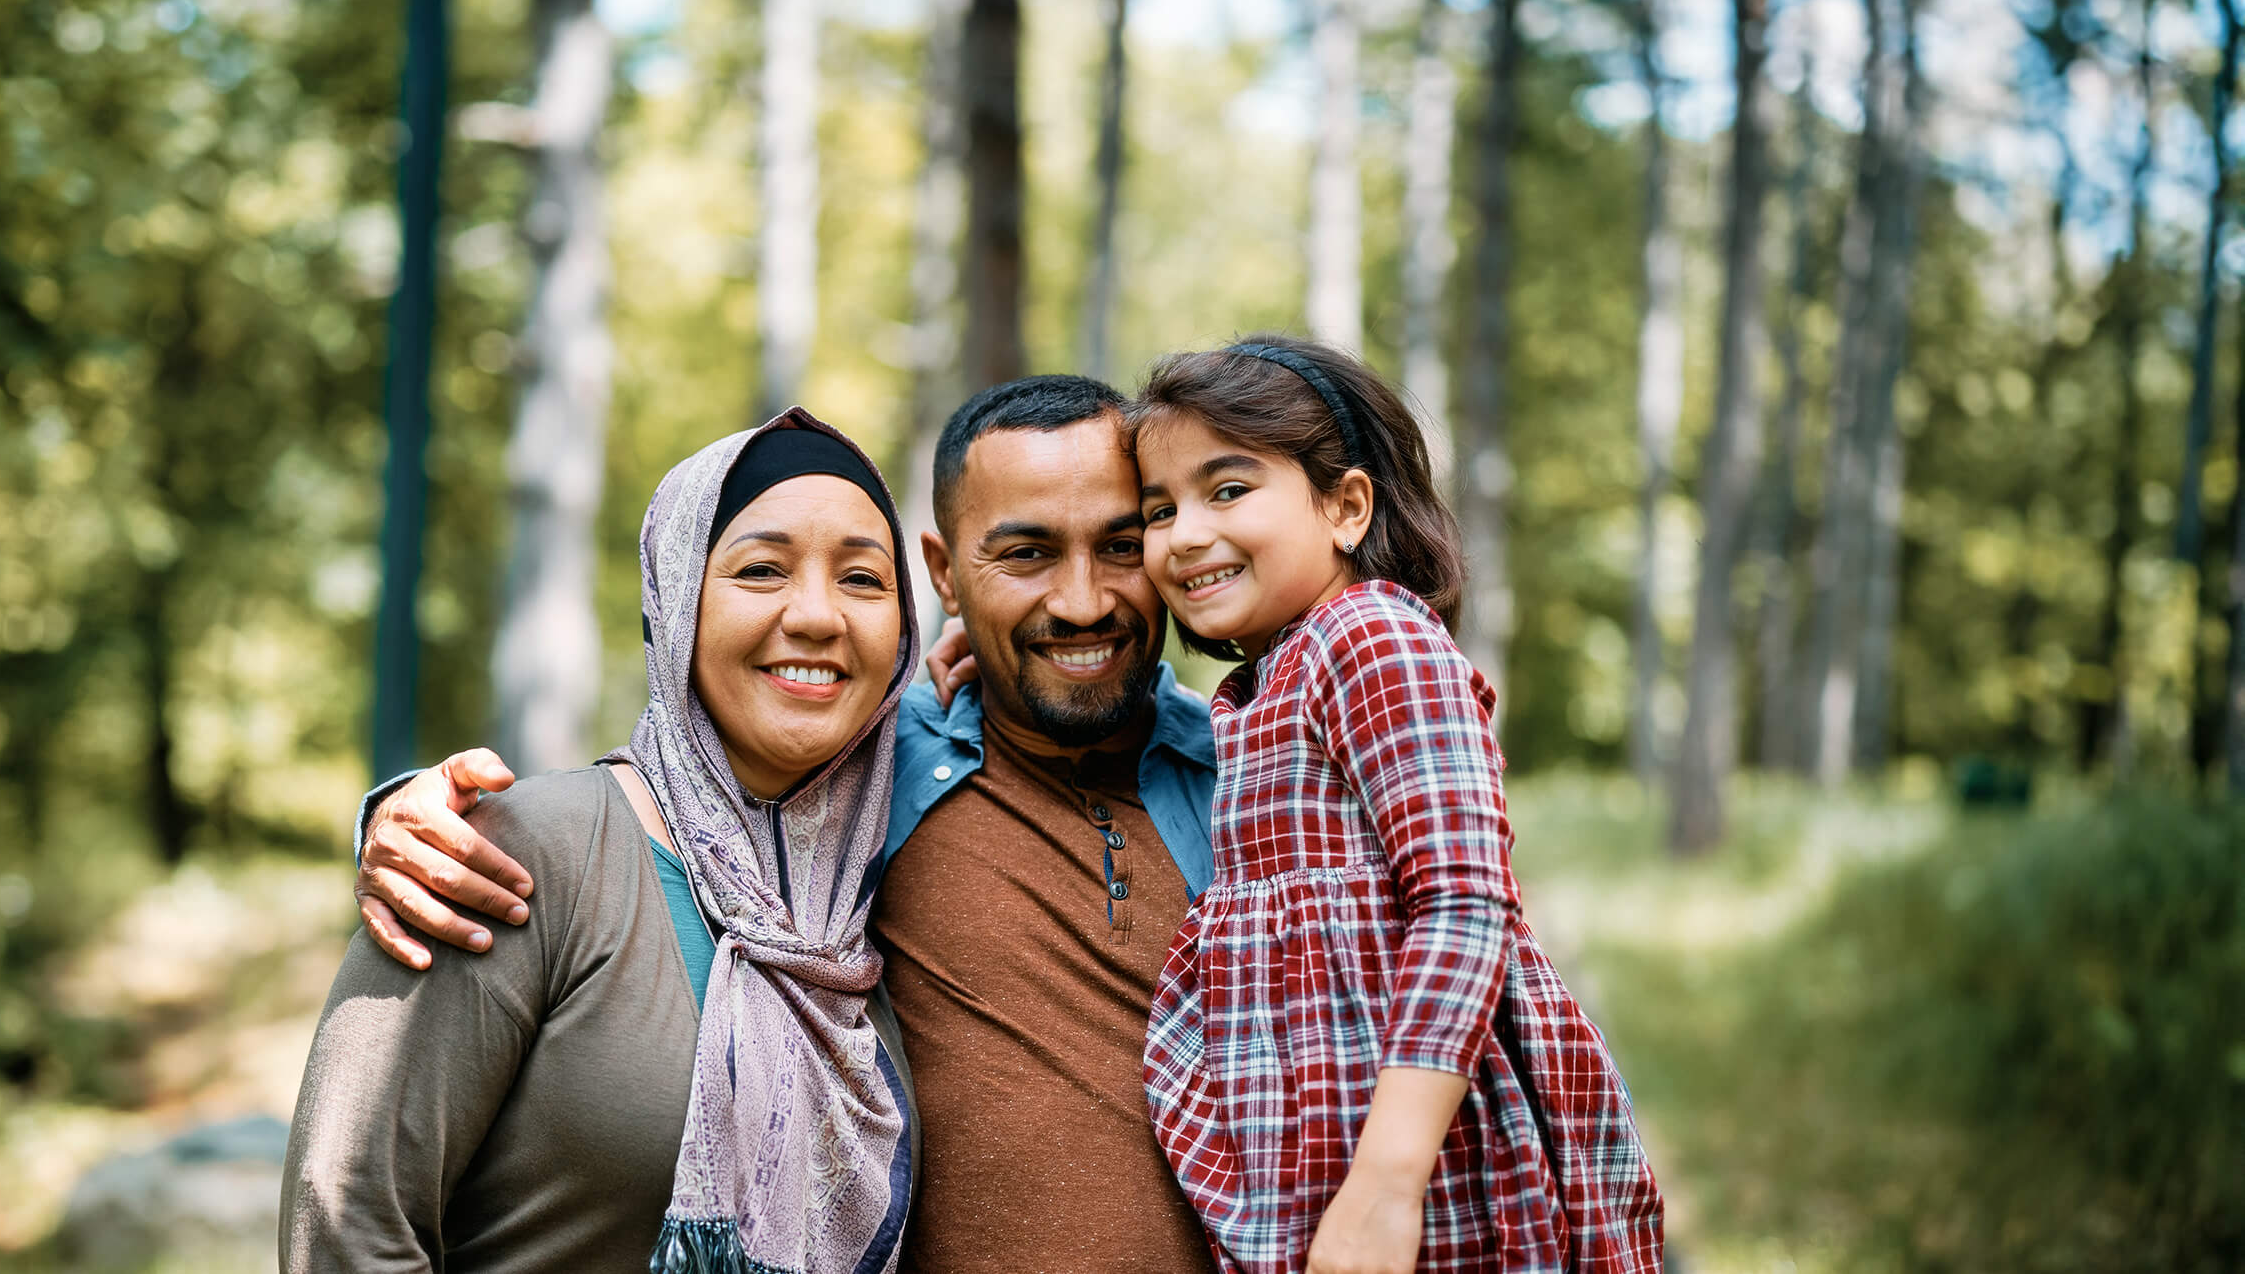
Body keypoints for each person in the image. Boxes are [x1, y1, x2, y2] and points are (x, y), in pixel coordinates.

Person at [352, 376, 1225, 1272]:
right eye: (1026, 554)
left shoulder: (1257, 781)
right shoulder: (881, 780)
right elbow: (704, 784)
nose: (1081, 601)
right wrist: (404, 814)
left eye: (1121, 545)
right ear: (946, 575)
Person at [280, 409, 922, 1274]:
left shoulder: (878, 892)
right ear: (676, 594)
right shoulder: (511, 856)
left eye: (862, 579)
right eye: (762, 569)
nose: (815, 615)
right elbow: (350, 1217)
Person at [1129, 336, 1664, 1273]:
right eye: (1158, 509)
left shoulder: (1370, 636)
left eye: (1227, 490)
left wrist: (1386, 1181)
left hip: (1422, 1160)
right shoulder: (1268, 682)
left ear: (1345, 505)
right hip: (1321, 1155)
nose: (1183, 535)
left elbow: (1465, 905)